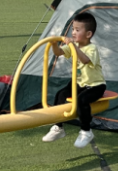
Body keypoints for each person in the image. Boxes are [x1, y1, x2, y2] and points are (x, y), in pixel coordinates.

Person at [41, 12, 106, 148]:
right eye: (73, 29)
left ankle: (86, 131)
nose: (74, 32)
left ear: (88, 34)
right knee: (61, 94)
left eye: (77, 30)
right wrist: (54, 44)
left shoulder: (91, 48)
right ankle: (58, 127)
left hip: (95, 85)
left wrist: (74, 47)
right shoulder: (73, 46)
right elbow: (58, 52)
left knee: (82, 100)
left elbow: (85, 59)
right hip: (79, 82)